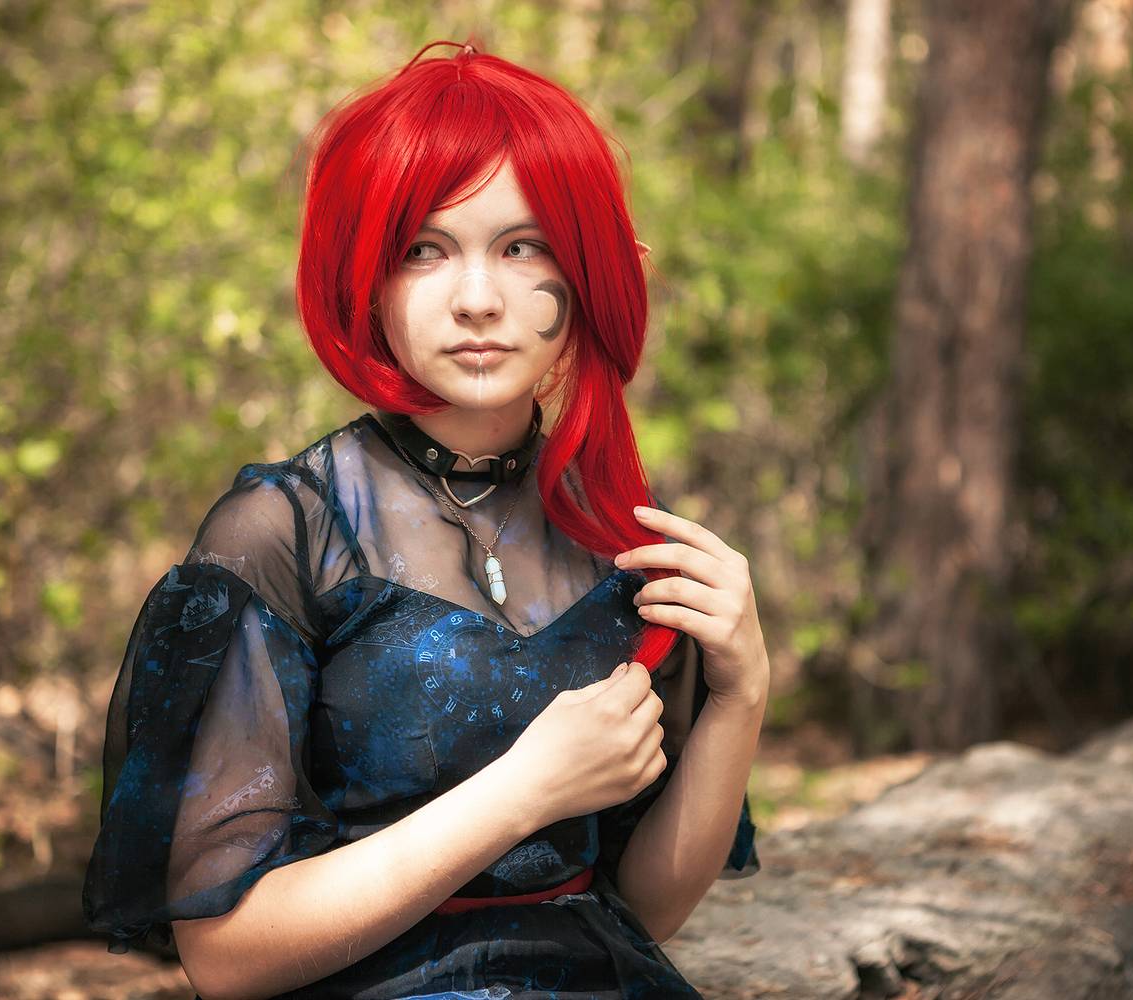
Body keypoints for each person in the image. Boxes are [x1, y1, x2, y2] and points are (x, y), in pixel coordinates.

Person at [82, 37, 767, 1000]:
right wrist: (522, 791)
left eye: (522, 247)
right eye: (423, 251)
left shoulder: (622, 542)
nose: (478, 300)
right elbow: (227, 957)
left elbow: (643, 911)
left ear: (582, 275)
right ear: (367, 279)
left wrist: (743, 692)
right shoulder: (282, 533)